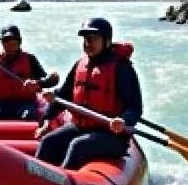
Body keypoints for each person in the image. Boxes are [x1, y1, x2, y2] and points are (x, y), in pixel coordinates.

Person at [34, 16, 142, 170]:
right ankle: (35, 184)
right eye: (86, 39)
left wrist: (123, 121)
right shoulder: (80, 64)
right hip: (81, 127)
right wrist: (47, 119)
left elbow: (135, 107)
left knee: (79, 145)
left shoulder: (122, 68)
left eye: (93, 39)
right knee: (48, 142)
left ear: (106, 40)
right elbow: (64, 95)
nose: (88, 44)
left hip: (112, 136)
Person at [0, 24, 58, 120]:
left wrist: (37, 83)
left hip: (25, 103)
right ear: (2, 43)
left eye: (13, 43)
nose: (10, 46)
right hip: (0, 104)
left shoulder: (30, 59)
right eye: (6, 42)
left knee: (28, 116)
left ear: (19, 42)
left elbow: (48, 81)